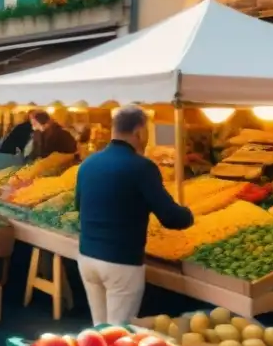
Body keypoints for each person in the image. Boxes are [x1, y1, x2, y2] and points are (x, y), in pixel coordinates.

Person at [75, 105, 194, 325]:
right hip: (121, 262)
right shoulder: (142, 167)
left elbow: (78, 205)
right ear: (139, 131)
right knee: (119, 334)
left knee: (99, 329)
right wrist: (188, 215)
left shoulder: (87, 164)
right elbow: (170, 217)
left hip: (87, 257)